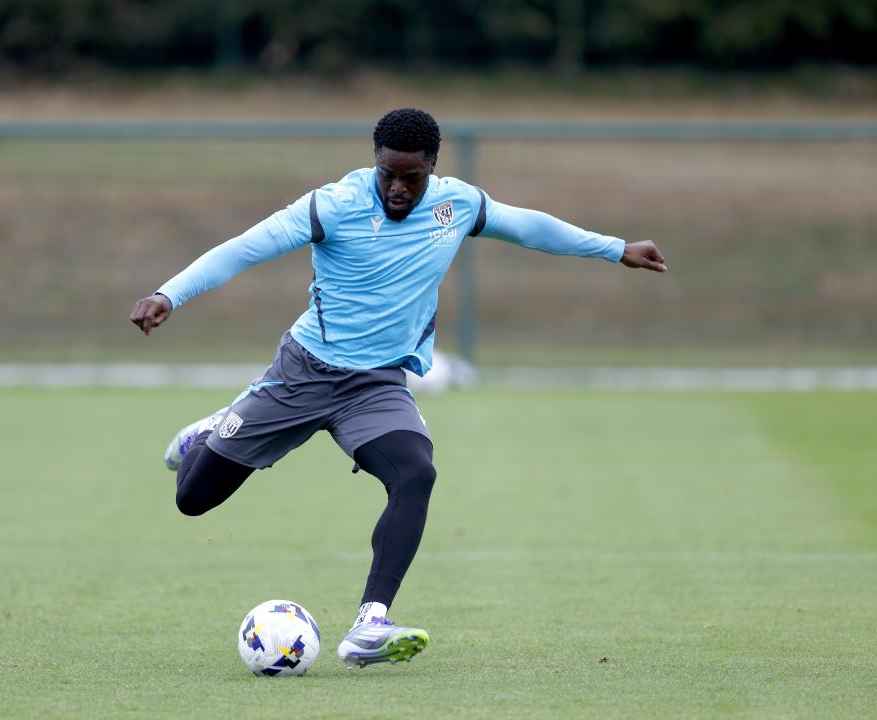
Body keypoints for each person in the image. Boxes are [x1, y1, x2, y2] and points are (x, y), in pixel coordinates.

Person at [130, 108, 667, 669]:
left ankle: (369, 625)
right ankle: (211, 431)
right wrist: (170, 294)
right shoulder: (334, 205)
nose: (397, 187)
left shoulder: (455, 205)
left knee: (416, 472)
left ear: (432, 167)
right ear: (375, 162)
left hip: (377, 385)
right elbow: (244, 248)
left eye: (411, 176)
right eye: (387, 173)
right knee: (193, 500)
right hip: (301, 373)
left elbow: (528, 226)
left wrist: (615, 248)